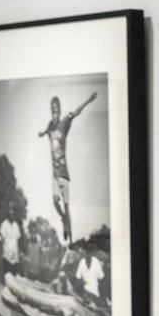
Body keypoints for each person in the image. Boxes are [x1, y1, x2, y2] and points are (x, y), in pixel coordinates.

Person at [37, 90, 98, 246]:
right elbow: (46, 130)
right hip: (54, 175)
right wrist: (42, 133)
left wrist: (88, 100)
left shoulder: (64, 123)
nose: (54, 112)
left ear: (60, 109)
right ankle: (64, 220)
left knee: (66, 205)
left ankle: (70, 240)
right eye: (52, 109)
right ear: (51, 110)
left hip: (64, 173)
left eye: (56, 109)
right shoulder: (50, 125)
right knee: (55, 202)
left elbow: (76, 112)